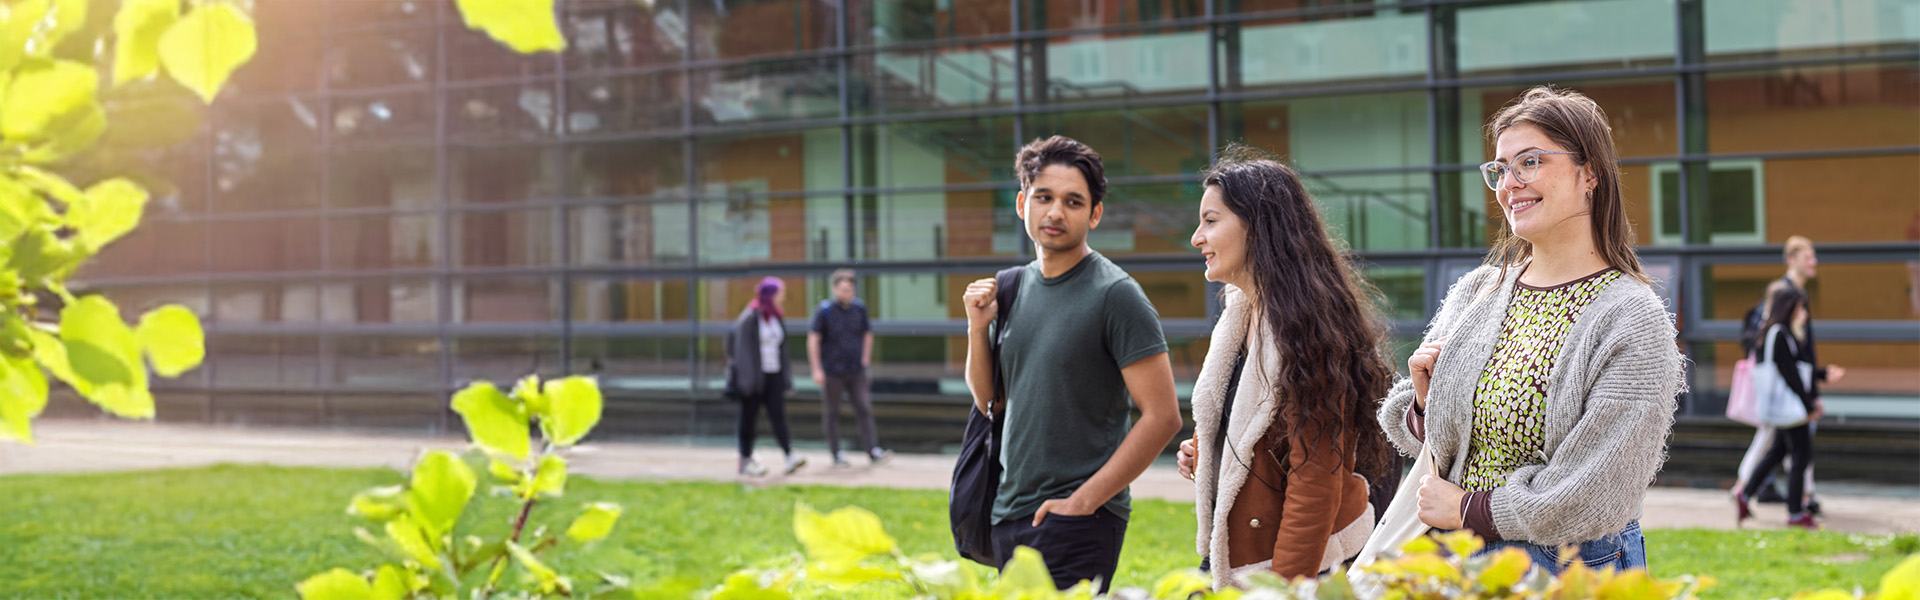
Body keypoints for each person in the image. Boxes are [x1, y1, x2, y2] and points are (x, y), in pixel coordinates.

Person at [1376, 86, 1685, 574]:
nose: (1509, 183)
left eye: (1532, 162)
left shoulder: (1632, 317)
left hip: (1568, 567)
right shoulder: (1478, 290)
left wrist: (1466, 509)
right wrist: (1423, 403)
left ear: (1590, 174)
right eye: (1500, 169)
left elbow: (1592, 490)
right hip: (1458, 563)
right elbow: (1425, 440)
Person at [959, 135, 1183, 593]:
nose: (1055, 212)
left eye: (1073, 201)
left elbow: (1162, 416)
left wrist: (1085, 502)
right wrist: (976, 328)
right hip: (1008, 512)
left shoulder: (1115, 295)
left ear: (1094, 214)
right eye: (1043, 197)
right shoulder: (1012, 287)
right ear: (1023, 203)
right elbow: (989, 401)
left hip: (1078, 520)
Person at [1172, 148, 1394, 588]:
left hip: (1290, 568)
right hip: (1238, 557)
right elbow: (1260, 433)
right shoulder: (1241, 316)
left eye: (1211, 221)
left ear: (1258, 226)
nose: (1197, 237)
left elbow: (1315, 486)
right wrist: (1212, 450)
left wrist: (1286, 589)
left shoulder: (1305, 330)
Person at [1734, 236, 1844, 513]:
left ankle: (1750, 491)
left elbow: (1798, 353)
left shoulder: (1796, 294)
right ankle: (1790, 499)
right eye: (1808, 257)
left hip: (1792, 386)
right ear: (1791, 259)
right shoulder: (1783, 293)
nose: (1814, 262)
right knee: (1787, 445)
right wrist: (1808, 396)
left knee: (1779, 446)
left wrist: (1816, 376)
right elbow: (1778, 351)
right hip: (1786, 389)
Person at [1733, 287, 1822, 529]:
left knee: (1778, 451)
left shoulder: (1776, 333)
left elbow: (1796, 369)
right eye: (1802, 308)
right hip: (1791, 408)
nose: (1805, 313)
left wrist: (1821, 374)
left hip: (1784, 407)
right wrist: (1808, 405)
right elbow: (1791, 374)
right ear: (1790, 308)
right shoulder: (1780, 334)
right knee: (1801, 454)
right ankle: (1795, 512)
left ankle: (1746, 493)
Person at [808, 268, 892, 467]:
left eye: (850, 289)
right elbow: (813, 340)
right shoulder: (824, 311)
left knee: (864, 408)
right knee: (832, 412)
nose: (848, 293)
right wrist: (817, 369)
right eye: (844, 289)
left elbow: (867, 334)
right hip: (832, 371)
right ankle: (836, 454)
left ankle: (872, 450)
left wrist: (865, 359)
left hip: (856, 370)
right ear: (835, 289)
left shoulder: (859, 309)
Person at [726, 276, 807, 477]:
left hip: (774, 375)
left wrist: (786, 378)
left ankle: (789, 456)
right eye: (780, 293)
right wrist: (747, 381)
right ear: (770, 295)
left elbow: (782, 349)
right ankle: (745, 460)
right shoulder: (750, 317)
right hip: (753, 378)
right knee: (749, 419)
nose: (783, 297)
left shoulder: (776, 317)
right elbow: (741, 351)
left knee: (778, 416)